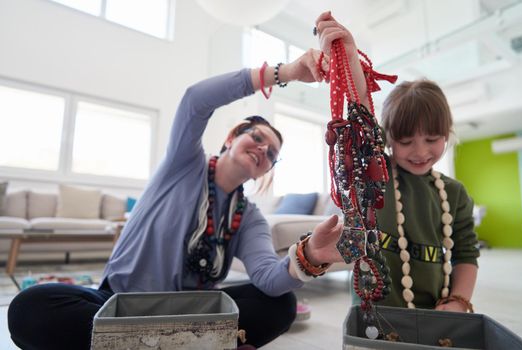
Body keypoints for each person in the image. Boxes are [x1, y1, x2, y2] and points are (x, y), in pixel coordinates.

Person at [7, 50, 345, 350]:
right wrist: (284, 73)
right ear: (231, 138)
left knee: (281, 304)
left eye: (271, 153)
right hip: (120, 303)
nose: (261, 149)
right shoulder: (184, 163)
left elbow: (269, 279)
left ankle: (145, 344)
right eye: (256, 137)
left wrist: (310, 255)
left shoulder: (250, 217)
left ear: (265, 171)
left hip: (195, 311)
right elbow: (196, 100)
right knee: (29, 308)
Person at [315, 11, 479, 312]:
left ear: (448, 134)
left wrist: (457, 301)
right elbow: (360, 117)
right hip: (372, 319)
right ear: (388, 139)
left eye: (432, 139)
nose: (420, 152)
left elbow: (466, 254)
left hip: (434, 316)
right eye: (405, 142)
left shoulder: (454, 194)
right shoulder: (377, 173)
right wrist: (350, 56)